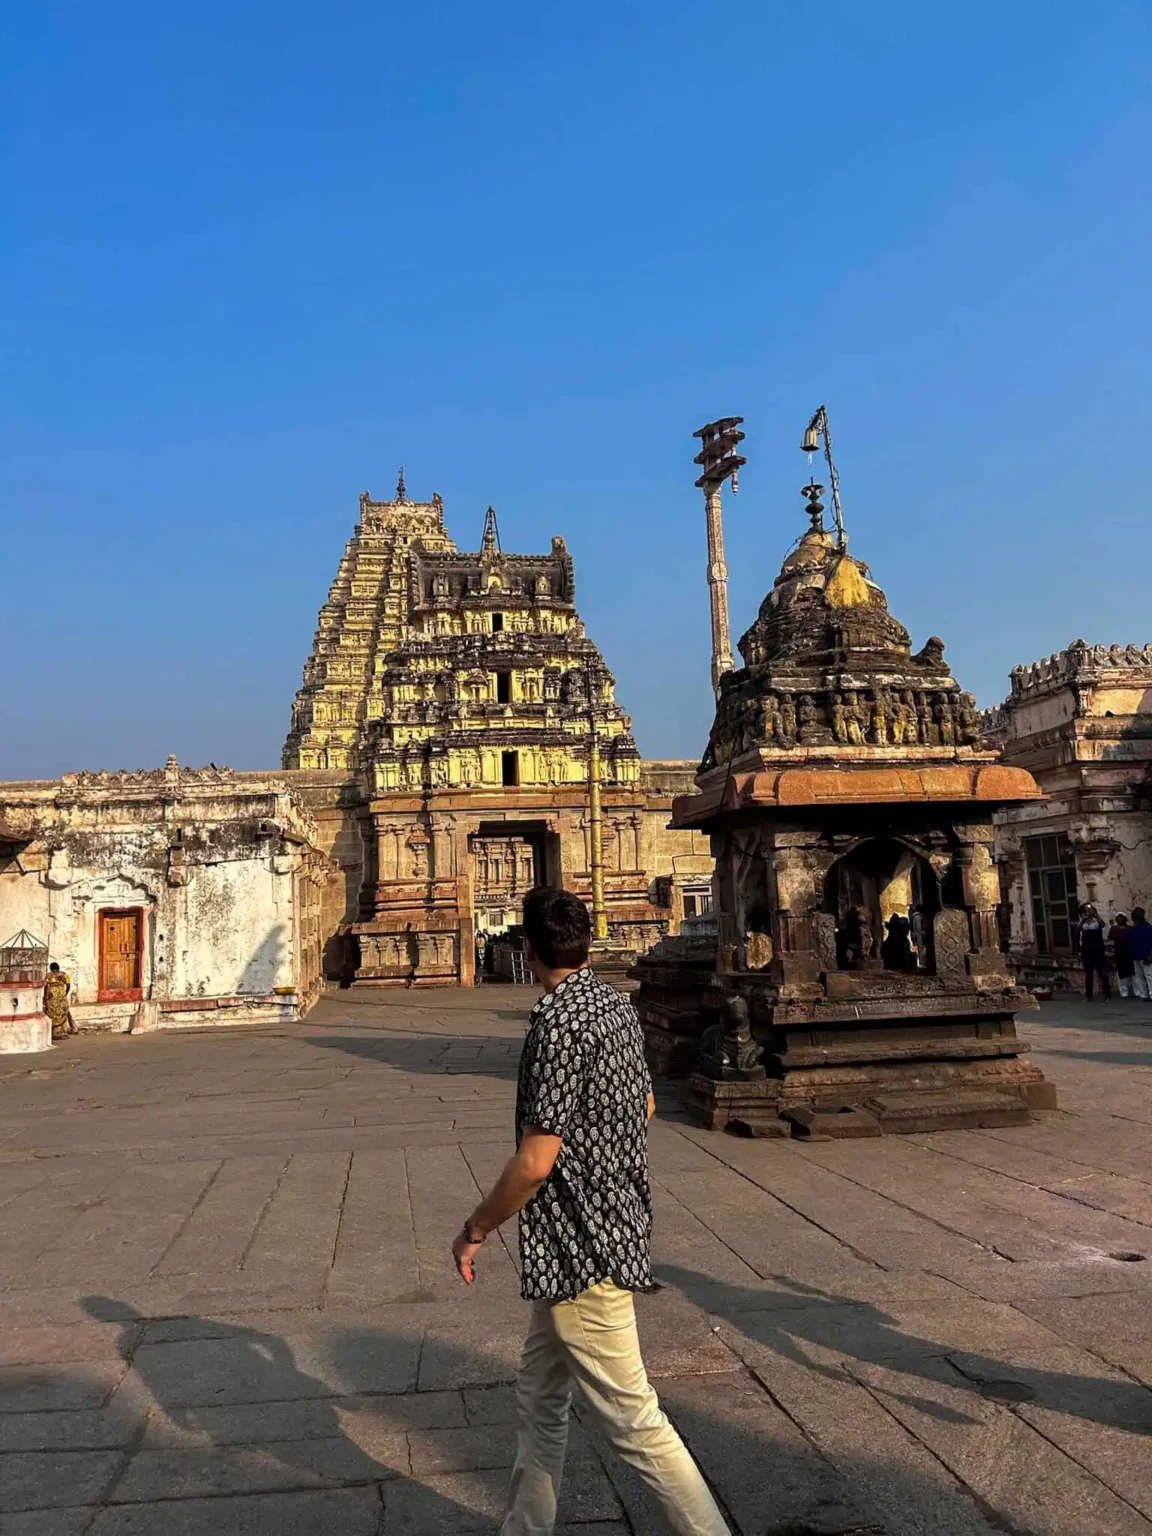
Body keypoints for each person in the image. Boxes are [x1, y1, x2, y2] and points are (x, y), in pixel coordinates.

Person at [451, 886, 730, 1536]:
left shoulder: (558, 1023)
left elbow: (534, 1163)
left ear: (528, 950)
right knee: (541, 1395)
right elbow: (646, 1106)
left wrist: (476, 1229)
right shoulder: (613, 1006)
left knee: (634, 1419)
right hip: (609, 1226)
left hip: (580, 1247)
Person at [1077, 903, 1110, 1001]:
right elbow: (1078, 929)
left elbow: (1103, 924)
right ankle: (1089, 995)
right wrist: (1084, 919)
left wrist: (1095, 915)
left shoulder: (1097, 921)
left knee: (1103, 973)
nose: (1088, 912)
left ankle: (1107, 994)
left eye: (1089, 910)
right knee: (1089, 974)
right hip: (1087, 950)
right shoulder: (1083, 922)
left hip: (1098, 950)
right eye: (1086, 910)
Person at [42, 962, 75, 1040]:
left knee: (52, 1012)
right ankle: (63, 1033)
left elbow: (45, 986)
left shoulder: (49, 975)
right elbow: (68, 985)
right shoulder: (64, 975)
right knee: (62, 1012)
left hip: (51, 996)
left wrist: (45, 996)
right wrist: (65, 993)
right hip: (61, 995)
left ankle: (54, 1034)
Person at [1108, 913, 1135, 999]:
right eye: (1118, 917)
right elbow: (1110, 941)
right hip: (1119, 954)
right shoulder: (1114, 929)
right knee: (1121, 974)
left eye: (1122, 917)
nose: (1120, 919)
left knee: (1132, 973)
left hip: (1129, 953)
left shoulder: (1130, 929)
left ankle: (1135, 991)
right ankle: (1124, 992)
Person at [1129, 907, 1152, 1002]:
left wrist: (1151, 954)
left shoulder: (1147, 927)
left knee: (1149, 976)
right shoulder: (1135, 928)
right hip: (1136, 955)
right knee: (1139, 977)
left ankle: (1150, 994)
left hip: (1146, 955)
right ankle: (1144, 995)